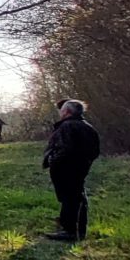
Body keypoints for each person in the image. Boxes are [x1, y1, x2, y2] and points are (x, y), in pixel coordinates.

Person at [42, 99, 101, 241]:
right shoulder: (87, 127)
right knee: (77, 197)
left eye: (62, 110)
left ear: (67, 112)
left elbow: (65, 149)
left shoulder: (67, 126)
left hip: (66, 168)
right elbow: (95, 151)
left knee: (70, 198)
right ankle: (77, 229)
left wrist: (52, 160)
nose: (60, 112)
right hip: (80, 167)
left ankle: (70, 231)